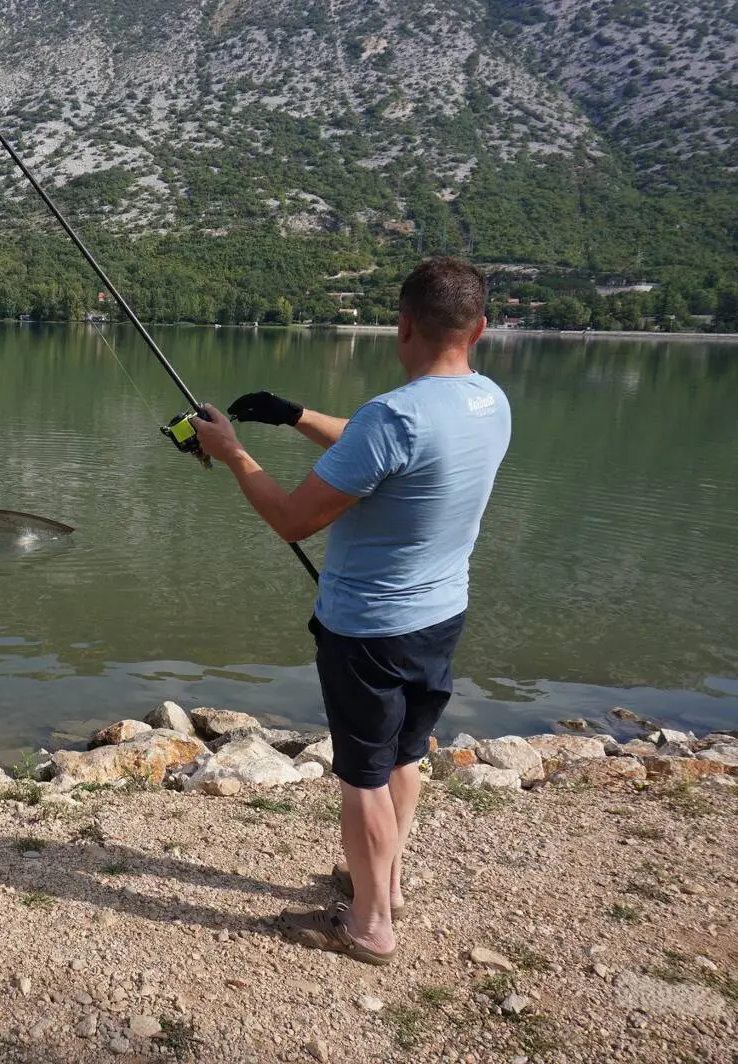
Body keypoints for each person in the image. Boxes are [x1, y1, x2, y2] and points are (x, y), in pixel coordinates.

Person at [189, 257, 511, 965]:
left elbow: (293, 519)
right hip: (440, 615)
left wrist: (233, 451)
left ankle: (369, 927)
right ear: (480, 328)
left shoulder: (396, 415)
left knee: (362, 774)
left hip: (370, 630)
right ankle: (386, 886)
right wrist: (295, 415)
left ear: (402, 327)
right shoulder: (489, 401)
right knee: (403, 754)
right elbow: (383, 449)